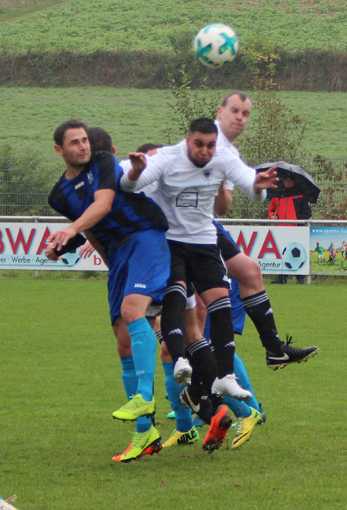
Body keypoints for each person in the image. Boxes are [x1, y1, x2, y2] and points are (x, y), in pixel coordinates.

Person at [121, 118, 278, 451]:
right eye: (199, 144)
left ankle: (225, 380)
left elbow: (250, 185)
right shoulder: (167, 158)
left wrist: (260, 184)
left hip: (205, 243)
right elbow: (131, 184)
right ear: (187, 140)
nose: (206, 150)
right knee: (177, 300)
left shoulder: (222, 156)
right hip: (172, 243)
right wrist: (134, 171)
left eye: (210, 144)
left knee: (220, 304)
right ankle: (184, 371)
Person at [47, 121, 169, 462]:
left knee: (133, 312)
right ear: (59, 150)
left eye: (85, 140)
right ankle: (145, 433)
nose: (83, 146)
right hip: (118, 253)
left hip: (145, 235)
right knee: (122, 340)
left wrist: (71, 229)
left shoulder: (101, 162)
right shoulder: (58, 195)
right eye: (74, 142)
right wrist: (62, 248)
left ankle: (145, 396)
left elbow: (101, 205)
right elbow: (92, 228)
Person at [212, 92, 319, 367]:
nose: (239, 117)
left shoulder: (230, 154)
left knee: (249, 272)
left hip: (204, 225)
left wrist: (256, 187)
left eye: (245, 113)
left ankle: (273, 349)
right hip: (178, 231)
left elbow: (233, 201)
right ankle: (205, 384)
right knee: (204, 309)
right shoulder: (206, 143)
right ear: (220, 111)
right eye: (234, 110)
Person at [269, 173, 312, 284]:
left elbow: (307, 213)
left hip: (297, 229)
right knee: (282, 252)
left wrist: (298, 223)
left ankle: (300, 277)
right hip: (281, 229)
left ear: (294, 181)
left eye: (290, 180)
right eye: (286, 180)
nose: (288, 182)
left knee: (298, 252)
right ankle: (281, 277)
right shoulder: (278, 194)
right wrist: (272, 216)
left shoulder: (301, 194)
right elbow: (271, 209)